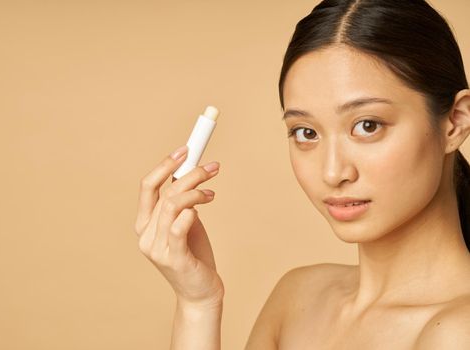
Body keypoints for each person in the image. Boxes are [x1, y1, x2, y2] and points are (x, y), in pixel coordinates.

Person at [134, 0, 470, 348]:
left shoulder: (459, 330)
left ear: (455, 122)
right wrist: (198, 303)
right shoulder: (297, 298)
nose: (332, 171)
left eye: (367, 125)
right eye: (306, 132)